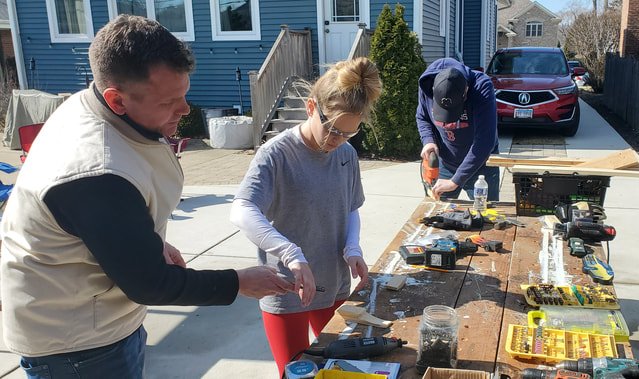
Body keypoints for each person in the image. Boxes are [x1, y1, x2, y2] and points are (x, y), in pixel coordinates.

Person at [0, 15, 294, 378]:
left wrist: (144, 239)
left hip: (98, 316)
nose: (185, 110)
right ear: (116, 99)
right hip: (75, 345)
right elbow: (149, 284)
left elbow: (106, 223)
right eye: (170, 102)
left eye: (184, 94)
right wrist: (239, 281)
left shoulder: (101, 107)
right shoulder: (94, 171)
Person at [229, 57, 381, 377]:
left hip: (333, 283)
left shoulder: (346, 154)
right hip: (287, 290)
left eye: (347, 134)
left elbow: (351, 207)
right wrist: (291, 253)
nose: (336, 140)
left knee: (341, 368)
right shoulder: (276, 154)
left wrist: (352, 248)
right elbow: (242, 209)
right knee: (297, 372)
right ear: (312, 107)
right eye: (332, 129)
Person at [416, 58, 500, 201]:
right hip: (446, 163)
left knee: (486, 217)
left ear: (466, 90)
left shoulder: (481, 87)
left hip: (481, 166)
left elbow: (485, 141)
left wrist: (456, 181)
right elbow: (422, 117)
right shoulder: (427, 84)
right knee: (436, 214)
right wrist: (428, 141)